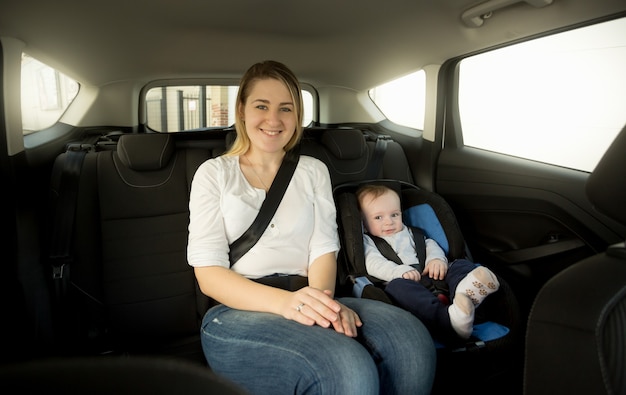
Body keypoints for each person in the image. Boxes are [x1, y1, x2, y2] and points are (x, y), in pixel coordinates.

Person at [187, 60, 436, 395]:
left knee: (411, 341)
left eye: (286, 109)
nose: (274, 120)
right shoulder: (213, 174)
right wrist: (289, 305)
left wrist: (321, 303)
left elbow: (323, 247)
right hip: (237, 310)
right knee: (346, 367)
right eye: (262, 106)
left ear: (297, 116)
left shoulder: (313, 170)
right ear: (242, 110)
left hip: (315, 294)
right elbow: (209, 274)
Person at [357, 183, 500, 341]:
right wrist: (398, 272)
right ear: (363, 223)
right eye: (378, 217)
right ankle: (448, 320)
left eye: (395, 215)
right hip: (405, 282)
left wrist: (437, 260)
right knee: (398, 288)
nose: (389, 222)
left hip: (434, 274)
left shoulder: (410, 232)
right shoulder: (368, 242)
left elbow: (430, 245)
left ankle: (465, 294)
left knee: (460, 265)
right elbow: (373, 263)